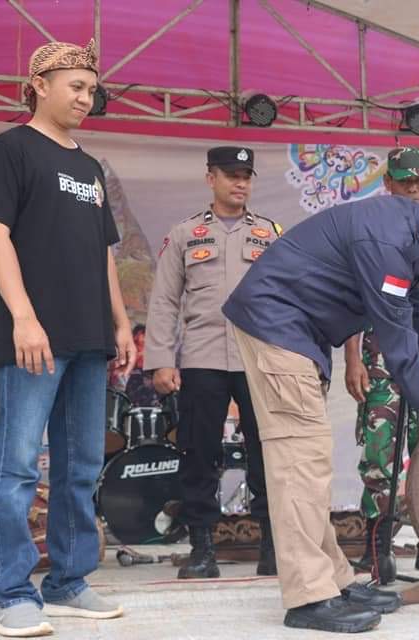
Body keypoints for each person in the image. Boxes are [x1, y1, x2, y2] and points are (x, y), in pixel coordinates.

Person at [222, 192, 419, 633]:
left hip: (297, 332)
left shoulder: (411, 241)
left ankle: (334, 582)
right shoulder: (386, 246)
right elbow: (401, 356)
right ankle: (309, 598)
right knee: (300, 463)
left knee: (310, 461)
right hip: (276, 324)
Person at [0, 39, 135, 638]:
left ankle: (67, 582)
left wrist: (120, 321)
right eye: (76, 86)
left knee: (81, 465)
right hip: (34, 338)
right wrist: (23, 316)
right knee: (17, 468)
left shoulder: (90, 167)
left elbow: (104, 253)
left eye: (92, 89)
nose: (87, 98)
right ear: (39, 84)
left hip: (90, 336)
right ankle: (10, 593)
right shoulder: (12, 149)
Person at [145, 146, 278, 578]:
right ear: (211, 179)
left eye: (246, 175)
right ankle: (202, 548)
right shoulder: (186, 234)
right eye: (231, 174)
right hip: (202, 359)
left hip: (257, 358)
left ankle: (273, 547)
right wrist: (162, 359)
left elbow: (288, 299)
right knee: (199, 454)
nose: (240, 183)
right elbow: (164, 301)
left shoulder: (271, 233)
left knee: (268, 454)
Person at [343, 147, 419, 576]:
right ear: (387, 184)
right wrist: (353, 360)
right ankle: (379, 550)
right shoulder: (372, 226)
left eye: (418, 182)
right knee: (380, 456)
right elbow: (352, 303)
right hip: (382, 358)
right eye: (403, 181)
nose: (411, 189)